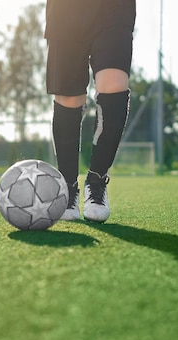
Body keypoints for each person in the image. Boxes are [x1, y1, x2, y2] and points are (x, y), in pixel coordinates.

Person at [45, 0, 136, 222]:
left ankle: (96, 181)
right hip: (65, 10)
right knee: (69, 96)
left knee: (114, 87)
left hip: (114, 9)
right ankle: (68, 187)